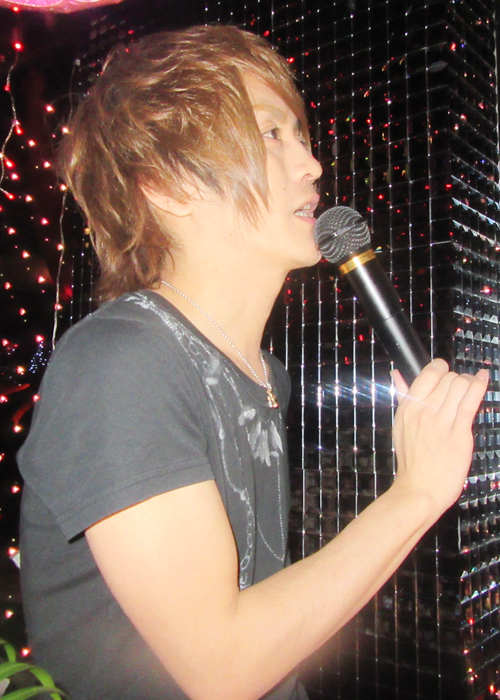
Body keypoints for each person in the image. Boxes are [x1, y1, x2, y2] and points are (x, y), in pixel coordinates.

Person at [17, 24, 488, 700]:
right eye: (270, 134)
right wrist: (415, 494)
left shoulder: (266, 375)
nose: (312, 165)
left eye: (299, 135)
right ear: (166, 184)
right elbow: (223, 667)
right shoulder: (120, 363)